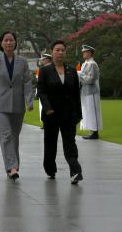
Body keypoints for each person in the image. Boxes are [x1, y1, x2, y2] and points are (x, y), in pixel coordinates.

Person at [0, 31, 34, 181]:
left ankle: (13, 166)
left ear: (15, 42)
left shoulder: (22, 62)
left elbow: (27, 82)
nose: (9, 43)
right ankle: (12, 167)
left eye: (11, 40)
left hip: (18, 104)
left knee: (15, 137)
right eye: (6, 40)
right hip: (0, 105)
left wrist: (29, 100)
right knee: (6, 135)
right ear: (1, 43)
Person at [38, 40, 83, 184]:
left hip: (68, 114)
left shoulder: (71, 70)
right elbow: (42, 92)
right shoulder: (45, 70)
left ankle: (75, 171)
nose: (60, 52)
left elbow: (76, 94)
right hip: (51, 114)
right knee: (50, 144)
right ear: (52, 52)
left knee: (70, 143)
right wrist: (48, 108)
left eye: (62, 50)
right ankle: (50, 169)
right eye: (57, 50)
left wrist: (78, 114)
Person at [78, 45, 102, 140]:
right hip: (85, 91)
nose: (83, 53)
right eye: (83, 52)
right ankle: (91, 130)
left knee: (93, 112)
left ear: (90, 53)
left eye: (85, 52)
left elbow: (91, 79)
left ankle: (95, 132)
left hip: (92, 91)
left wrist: (80, 75)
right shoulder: (85, 64)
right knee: (87, 111)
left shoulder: (92, 64)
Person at [36, 54, 53, 124]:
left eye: (43, 59)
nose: (42, 61)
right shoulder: (44, 68)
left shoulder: (49, 68)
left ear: (47, 59)